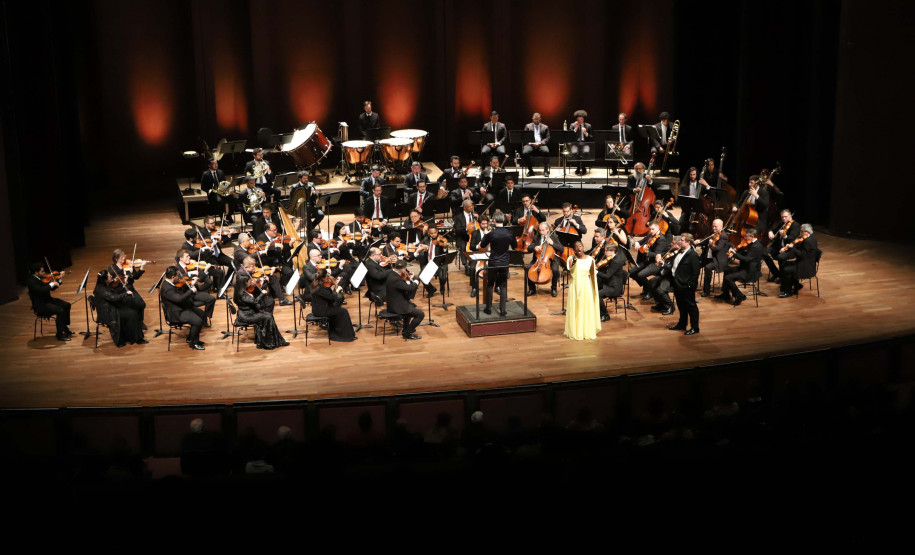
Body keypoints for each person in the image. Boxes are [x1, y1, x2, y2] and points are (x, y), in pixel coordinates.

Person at [233, 265, 289, 349]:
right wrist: (262, 294)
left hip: (250, 311)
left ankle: (275, 340)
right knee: (268, 317)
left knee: (269, 316)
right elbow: (255, 301)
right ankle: (267, 343)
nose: (250, 281)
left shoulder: (243, 290)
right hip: (246, 315)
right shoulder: (241, 294)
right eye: (248, 281)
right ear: (244, 283)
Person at [92, 269, 144, 346]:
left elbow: (112, 295)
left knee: (131, 310)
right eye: (109, 276)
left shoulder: (102, 285)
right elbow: (113, 298)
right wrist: (125, 294)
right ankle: (136, 338)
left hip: (111, 308)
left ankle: (131, 337)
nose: (111, 277)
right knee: (133, 314)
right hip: (108, 313)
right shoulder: (102, 290)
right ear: (105, 279)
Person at [161, 266, 207, 350]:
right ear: (173, 277)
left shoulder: (170, 284)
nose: (179, 278)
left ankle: (191, 338)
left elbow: (180, 293)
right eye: (177, 276)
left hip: (181, 307)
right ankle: (194, 343)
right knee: (198, 321)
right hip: (175, 312)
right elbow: (179, 299)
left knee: (202, 314)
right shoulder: (167, 288)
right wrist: (191, 291)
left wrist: (191, 285)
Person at [717, 228, 765, 306]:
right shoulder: (750, 243)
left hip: (749, 272)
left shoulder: (756, 246)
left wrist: (734, 254)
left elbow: (746, 259)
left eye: (746, 236)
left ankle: (739, 296)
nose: (744, 238)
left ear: (752, 237)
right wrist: (736, 250)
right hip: (744, 267)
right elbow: (744, 254)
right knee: (727, 270)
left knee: (728, 278)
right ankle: (725, 294)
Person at [477, 211, 513, 315]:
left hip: (493, 262)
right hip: (505, 262)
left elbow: (482, 245)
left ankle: (488, 309)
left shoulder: (491, 233)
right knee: (503, 285)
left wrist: (485, 235)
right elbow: (515, 245)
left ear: (493, 220)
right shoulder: (509, 233)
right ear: (503, 220)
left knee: (490, 284)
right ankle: (503, 310)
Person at [564, 240, 600, 340]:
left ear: (583, 247)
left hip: (586, 286)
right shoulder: (571, 259)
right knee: (576, 308)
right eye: (576, 246)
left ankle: (586, 331)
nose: (578, 248)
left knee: (585, 307)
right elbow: (570, 271)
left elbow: (592, 274)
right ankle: (576, 331)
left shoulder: (590, 259)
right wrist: (574, 261)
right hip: (575, 285)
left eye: (580, 246)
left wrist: (594, 289)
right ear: (574, 249)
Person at [27, 263, 73, 341]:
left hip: (48, 301)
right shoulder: (31, 281)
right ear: (36, 272)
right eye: (42, 271)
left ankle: (64, 328)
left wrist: (59, 279)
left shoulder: (39, 278)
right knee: (60, 311)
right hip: (41, 305)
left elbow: (51, 288)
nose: (44, 273)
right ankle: (59, 334)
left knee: (67, 305)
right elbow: (41, 290)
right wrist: (51, 283)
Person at [666, 233, 701, 335]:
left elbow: (696, 272)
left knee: (691, 306)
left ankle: (695, 327)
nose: (679, 242)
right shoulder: (679, 251)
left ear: (688, 242)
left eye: (681, 240)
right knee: (681, 305)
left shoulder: (693, 255)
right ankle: (682, 324)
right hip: (677, 283)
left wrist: (690, 284)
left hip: (686, 285)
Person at [309, 269, 356, 342]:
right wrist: (336, 291)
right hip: (322, 311)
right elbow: (332, 297)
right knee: (343, 311)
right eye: (326, 276)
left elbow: (327, 295)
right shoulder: (319, 289)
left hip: (320, 308)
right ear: (323, 278)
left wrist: (332, 288)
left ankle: (340, 334)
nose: (328, 278)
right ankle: (344, 336)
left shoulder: (316, 285)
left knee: (340, 310)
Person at [629, 223, 670, 299]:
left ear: (658, 228)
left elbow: (657, 255)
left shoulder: (661, 239)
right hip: (647, 261)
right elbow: (641, 241)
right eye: (650, 229)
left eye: (653, 229)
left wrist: (647, 251)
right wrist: (637, 243)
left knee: (640, 275)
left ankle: (650, 291)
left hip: (655, 263)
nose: (651, 231)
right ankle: (647, 287)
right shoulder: (650, 235)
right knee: (632, 272)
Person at [108, 249, 147, 327]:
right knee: (132, 304)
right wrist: (125, 271)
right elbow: (116, 277)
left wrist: (141, 267)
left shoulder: (128, 264)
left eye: (124, 256)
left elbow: (136, 277)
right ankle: (133, 321)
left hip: (130, 288)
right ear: (116, 259)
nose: (124, 258)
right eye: (122, 257)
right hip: (120, 290)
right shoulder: (112, 268)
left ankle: (140, 321)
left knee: (141, 304)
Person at [385, 260, 424, 340]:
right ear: (403, 269)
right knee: (420, 314)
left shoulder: (392, 274)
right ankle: (408, 332)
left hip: (395, 302)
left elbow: (403, 285)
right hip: (397, 306)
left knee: (411, 308)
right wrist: (415, 281)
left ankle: (405, 330)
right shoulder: (396, 279)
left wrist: (409, 279)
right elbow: (410, 288)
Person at [777, 223, 817, 297]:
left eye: (801, 231)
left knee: (786, 269)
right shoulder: (811, 237)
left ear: (807, 232)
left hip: (806, 267)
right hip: (805, 262)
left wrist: (792, 248)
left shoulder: (808, 241)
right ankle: (795, 286)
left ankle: (787, 292)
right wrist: (789, 247)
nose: (800, 233)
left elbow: (802, 255)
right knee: (785, 264)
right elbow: (800, 249)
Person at [695, 218, 731, 297]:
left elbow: (717, 248)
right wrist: (699, 241)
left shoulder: (723, 236)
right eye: (713, 226)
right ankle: (693, 285)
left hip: (717, 259)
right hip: (707, 257)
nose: (714, 228)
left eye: (716, 227)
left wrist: (711, 244)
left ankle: (706, 291)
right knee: (695, 264)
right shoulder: (712, 233)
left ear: (721, 226)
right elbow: (705, 240)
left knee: (707, 268)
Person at [528, 222, 562, 297]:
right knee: (528, 268)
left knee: (555, 270)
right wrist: (534, 248)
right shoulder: (537, 237)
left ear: (547, 229)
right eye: (540, 230)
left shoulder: (554, 237)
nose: (541, 232)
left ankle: (553, 288)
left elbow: (561, 249)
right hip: (538, 259)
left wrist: (552, 243)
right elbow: (529, 248)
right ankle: (532, 289)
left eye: (543, 230)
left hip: (550, 259)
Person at [765, 209, 800, 281]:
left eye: (785, 217)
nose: (784, 219)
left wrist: (785, 236)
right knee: (764, 253)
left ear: (790, 216)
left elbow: (793, 238)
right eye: (782, 217)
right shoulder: (782, 223)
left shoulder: (795, 225)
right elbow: (772, 229)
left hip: (788, 248)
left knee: (780, 257)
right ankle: (776, 273)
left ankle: (783, 276)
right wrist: (770, 232)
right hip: (778, 246)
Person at [597, 243, 627, 322]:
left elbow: (607, 276)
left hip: (614, 288)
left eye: (606, 251)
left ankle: (605, 315)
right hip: (610, 284)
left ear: (612, 251)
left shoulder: (615, 261)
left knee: (597, 295)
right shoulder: (612, 259)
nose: (605, 252)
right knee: (595, 288)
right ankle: (598, 312)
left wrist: (596, 272)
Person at [200, 158, 236, 222]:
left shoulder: (220, 172)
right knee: (220, 201)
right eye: (214, 164)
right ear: (209, 165)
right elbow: (202, 187)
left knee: (234, 198)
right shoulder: (205, 174)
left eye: (216, 163)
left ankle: (229, 216)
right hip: (213, 194)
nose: (216, 165)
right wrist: (209, 190)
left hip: (222, 192)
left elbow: (225, 183)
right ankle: (222, 219)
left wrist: (229, 190)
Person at [522, 113, 550, 177]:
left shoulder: (545, 127)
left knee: (546, 151)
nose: (536, 121)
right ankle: (530, 171)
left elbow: (548, 137)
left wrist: (540, 143)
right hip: (531, 144)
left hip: (541, 144)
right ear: (532, 119)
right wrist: (531, 143)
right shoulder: (528, 126)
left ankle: (545, 171)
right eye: (535, 119)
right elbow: (525, 137)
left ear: (540, 119)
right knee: (524, 153)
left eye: (537, 119)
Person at [569, 109, 592, 175]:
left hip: (585, 143)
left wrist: (586, 133)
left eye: (582, 119)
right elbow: (570, 136)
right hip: (575, 144)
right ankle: (578, 167)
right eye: (579, 119)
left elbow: (591, 137)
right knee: (575, 152)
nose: (581, 120)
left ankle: (583, 167)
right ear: (577, 119)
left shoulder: (588, 126)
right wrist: (576, 128)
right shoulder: (572, 125)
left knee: (585, 152)